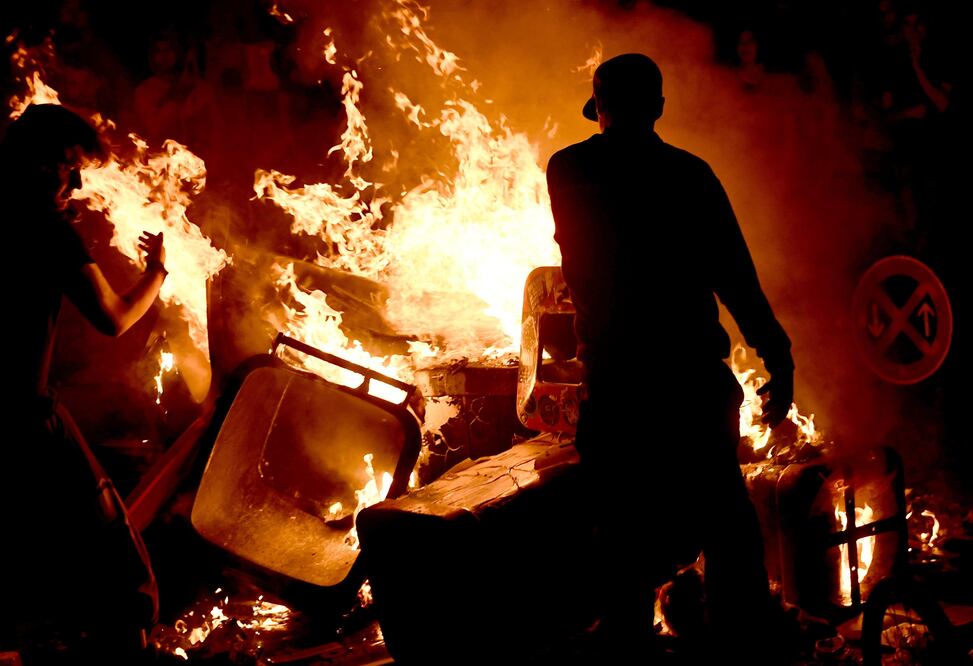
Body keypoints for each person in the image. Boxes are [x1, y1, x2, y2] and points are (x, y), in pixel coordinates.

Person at [546, 54, 794, 659]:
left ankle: (626, 639)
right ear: (659, 107)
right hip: (689, 383)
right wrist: (776, 354)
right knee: (727, 525)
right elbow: (736, 277)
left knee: (620, 529)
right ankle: (742, 643)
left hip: (619, 384)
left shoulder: (569, 169)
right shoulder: (691, 177)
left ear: (598, 109)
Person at [1, 104, 167, 664]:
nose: (75, 183)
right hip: (25, 417)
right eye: (68, 167)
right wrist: (156, 275)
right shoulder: (48, 232)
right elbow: (114, 319)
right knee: (117, 559)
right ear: (39, 162)